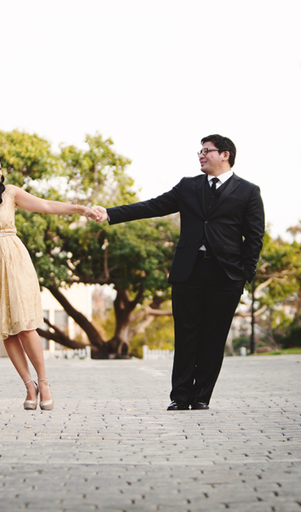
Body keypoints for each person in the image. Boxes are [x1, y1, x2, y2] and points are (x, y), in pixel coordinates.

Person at [92, 134, 264, 411]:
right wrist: (110, 214)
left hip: (226, 276)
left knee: (214, 337)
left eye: (207, 151)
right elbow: (153, 206)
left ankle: (201, 397)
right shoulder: (188, 186)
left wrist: (245, 274)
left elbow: (254, 238)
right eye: (200, 151)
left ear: (225, 155)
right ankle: (180, 396)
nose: (201, 155)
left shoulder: (248, 192)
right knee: (186, 335)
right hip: (189, 272)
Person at [0, 149, 98, 411]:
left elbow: (47, 205)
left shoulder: (9, 193)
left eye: (0, 168)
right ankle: (29, 385)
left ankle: (44, 382)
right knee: (6, 330)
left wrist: (81, 209)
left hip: (15, 263)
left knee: (25, 325)